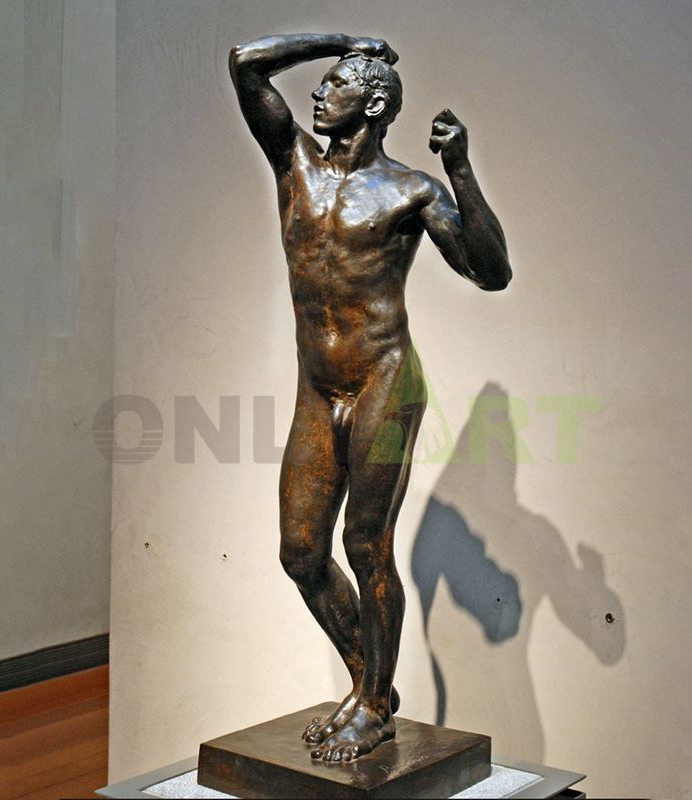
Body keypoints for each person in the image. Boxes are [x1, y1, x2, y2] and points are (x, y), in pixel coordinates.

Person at [229, 33, 511, 762]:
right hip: (318, 387)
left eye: (338, 81)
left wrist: (460, 169)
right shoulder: (295, 164)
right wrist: (342, 42)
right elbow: (246, 63)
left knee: (365, 542)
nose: (319, 91)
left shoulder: (412, 191)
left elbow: (491, 272)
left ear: (376, 102)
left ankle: (374, 707)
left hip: (387, 380)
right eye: (321, 81)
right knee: (301, 552)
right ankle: (371, 686)